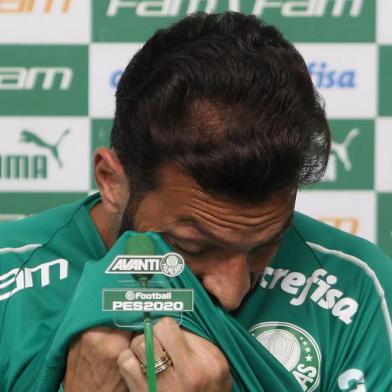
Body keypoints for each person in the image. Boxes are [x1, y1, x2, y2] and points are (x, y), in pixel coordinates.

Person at [0, 11, 391, 392]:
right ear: (112, 181)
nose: (232, 290)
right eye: (191, 245)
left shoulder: (355, 287)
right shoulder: (9, 274)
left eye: (265, 245)